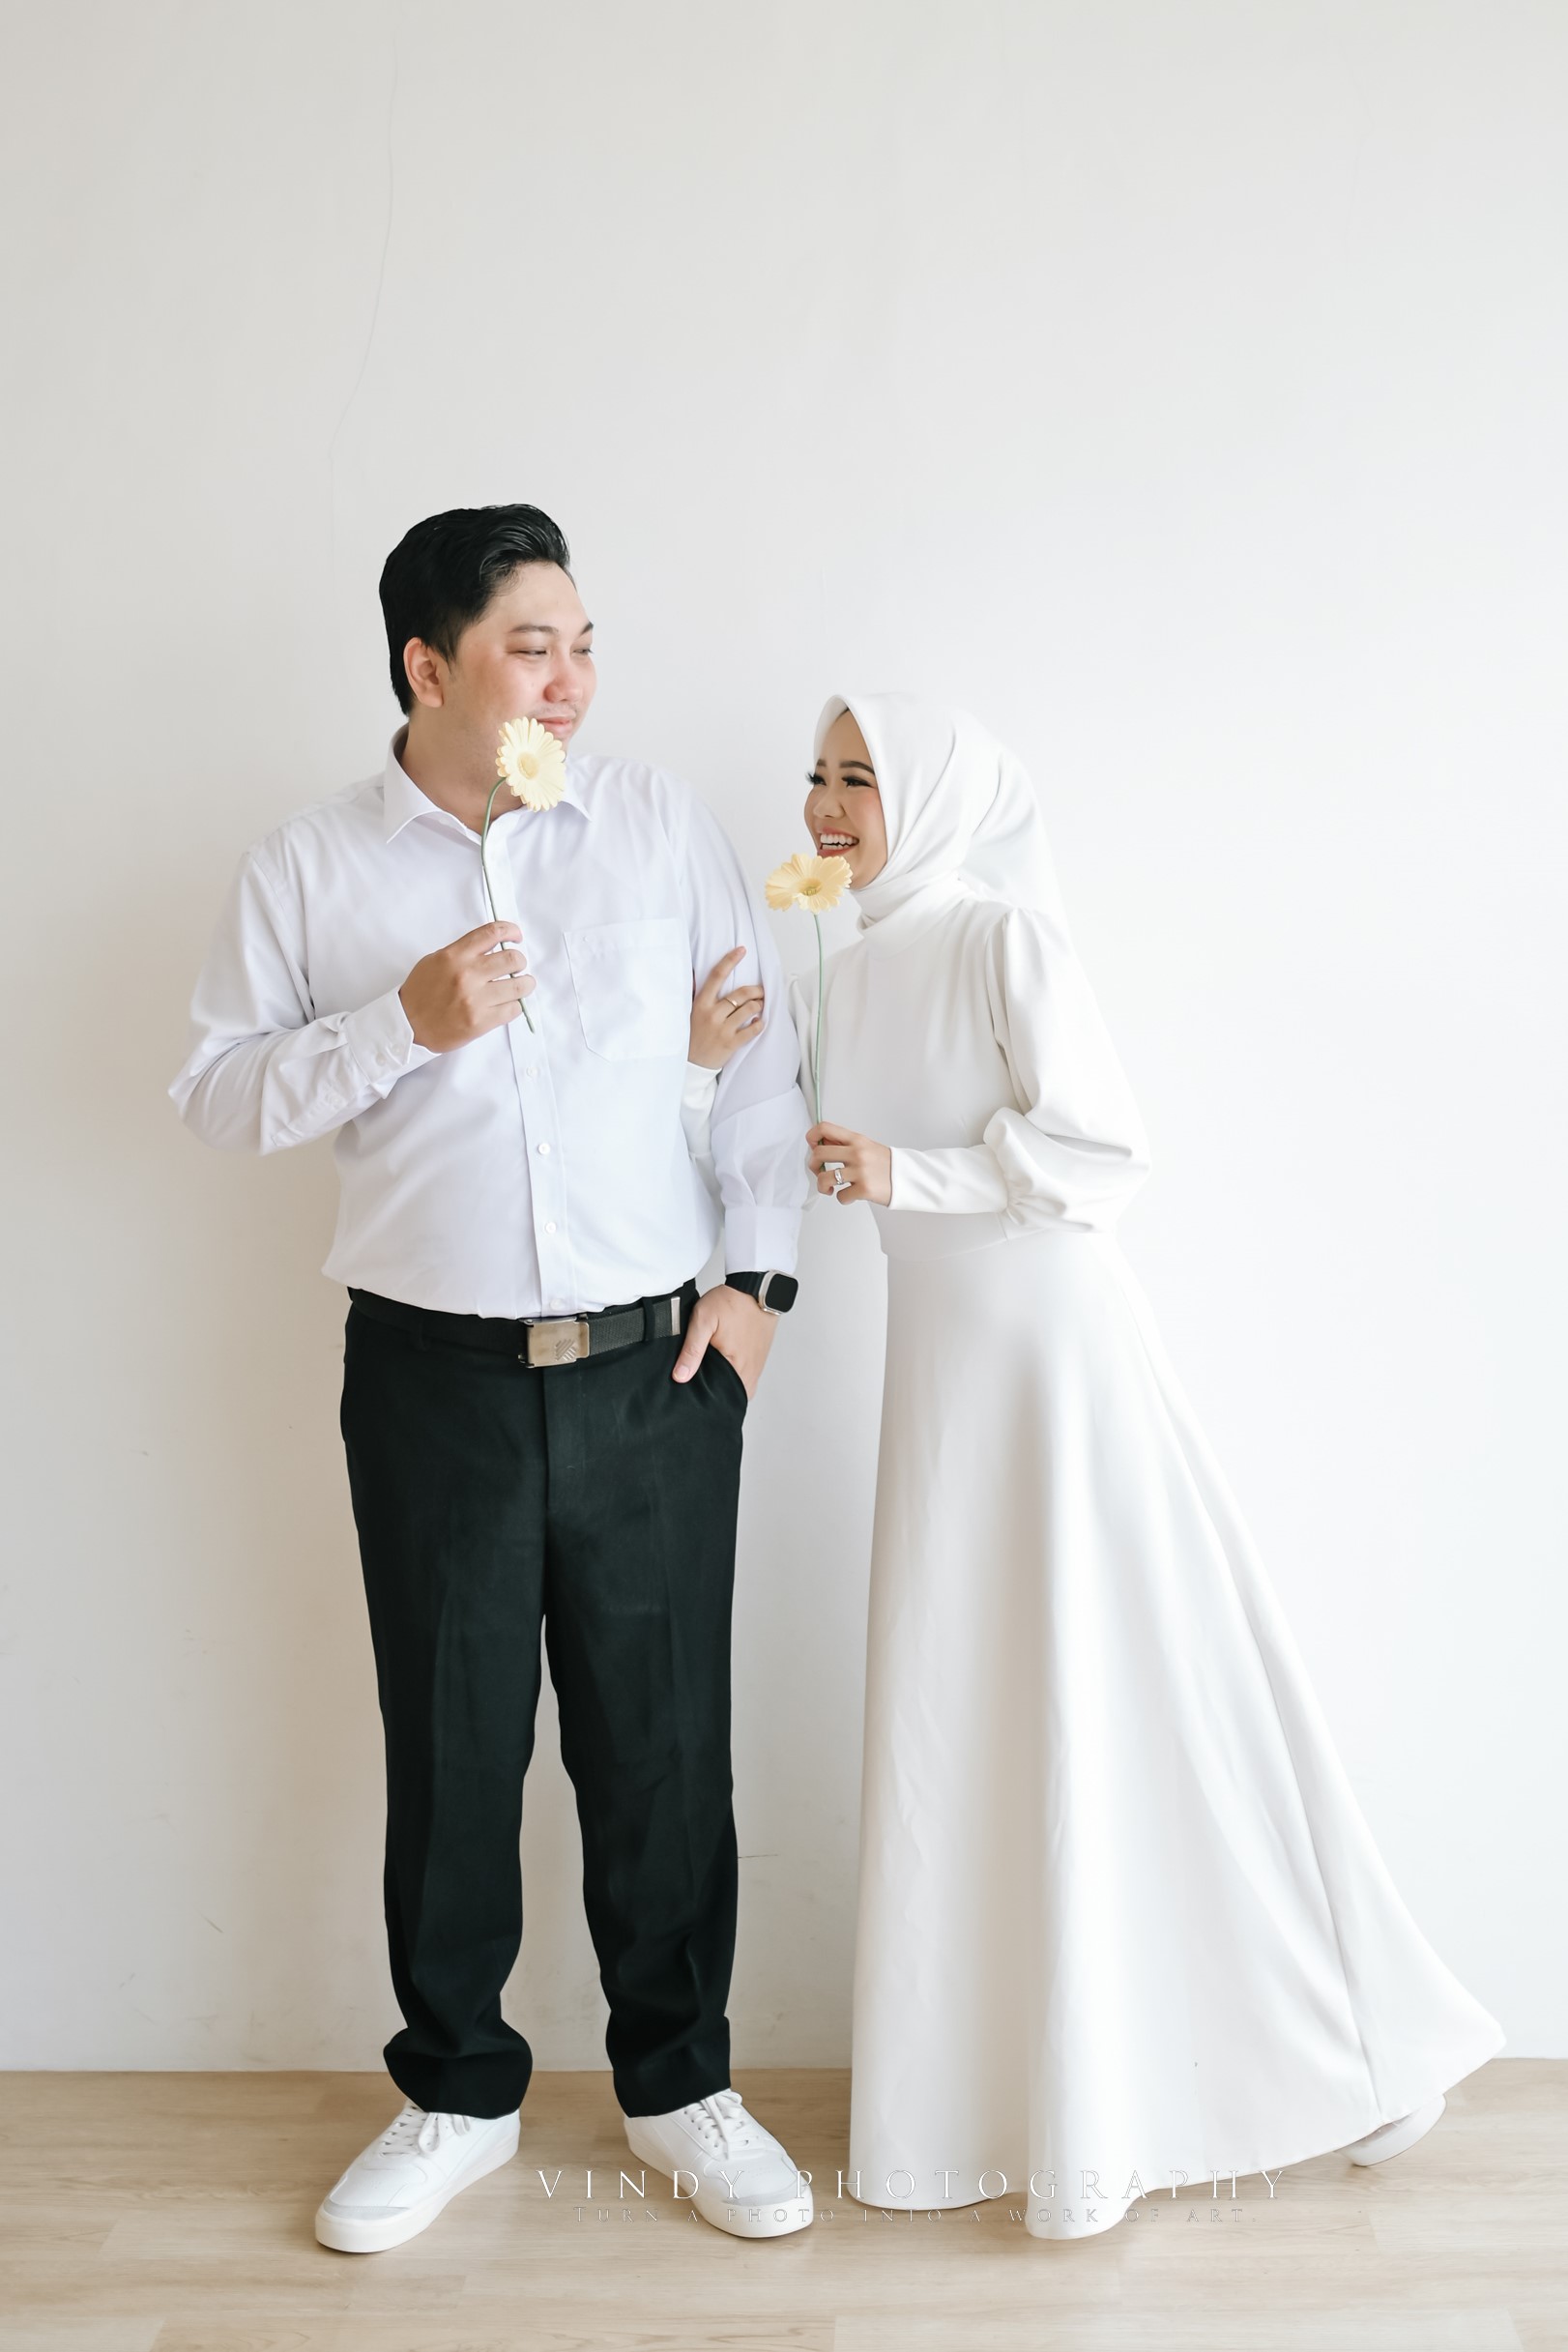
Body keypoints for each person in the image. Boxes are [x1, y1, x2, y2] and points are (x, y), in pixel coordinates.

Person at [719, 690, 1503, 2242]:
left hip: (1050, 1356)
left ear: (933, 800)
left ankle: (1348, 2045)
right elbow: (788, 1152)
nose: (826, 803)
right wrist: (731, 1083)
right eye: (816, 774)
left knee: (1129, 1682)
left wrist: (905, 1168)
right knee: (968, 1707)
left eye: (860, 776)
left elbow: (1099, 1151)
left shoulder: (1000, 937)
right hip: (941, 1365)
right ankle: (984, 2104)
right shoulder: (840, 963)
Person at [169, 505, 815, 2252]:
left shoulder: (656, 824)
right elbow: (214, 1095)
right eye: (535, 646)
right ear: (427, 666)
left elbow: (758, 1070)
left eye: (585, 644)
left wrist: (756, 1288)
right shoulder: (309, 868)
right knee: (451, 1744)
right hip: (431, 1379)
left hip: (653, 1368)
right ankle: (455, 2090)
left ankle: (679, 2081)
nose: (572, 681)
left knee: (663, 1745)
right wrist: (402, 1022)